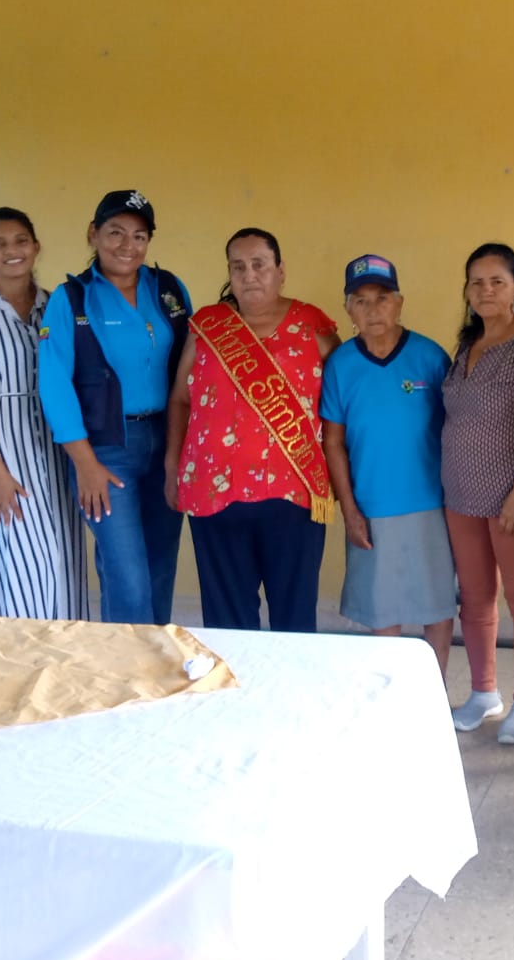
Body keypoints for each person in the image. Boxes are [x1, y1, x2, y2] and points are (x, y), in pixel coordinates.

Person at [164, 227, 339, 631]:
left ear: (280, 271)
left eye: (259, 265)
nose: (249, 275)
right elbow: (180, 399)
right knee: (227, 620)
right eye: (238, 267)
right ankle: (238, 677)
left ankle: (288, 677)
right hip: (213, 492)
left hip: (293, 494)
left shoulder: (311, 324)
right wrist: (172, 467)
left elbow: (343, 400)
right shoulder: (208, 326)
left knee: (294, 618)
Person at [38, 190, 193, 625]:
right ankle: (128, 661)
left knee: (160, 567)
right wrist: (84, 462)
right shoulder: (72, 299)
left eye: (139, 236)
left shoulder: (168, 289)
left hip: (167, 441)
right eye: (116, 233)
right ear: (93, 234)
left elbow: (191, 365)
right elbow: (54, 384)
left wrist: (182, 452)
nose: (128, 245)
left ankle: (156, 652)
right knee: (127, 576)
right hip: (105, 450)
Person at [441, 242, 514, 744]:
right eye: (477, 282)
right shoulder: (466, 345)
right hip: (460, 493)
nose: (486, 290)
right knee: (474, 598)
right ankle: (483, 692)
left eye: (497, 281)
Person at [0, 207, 88, 619]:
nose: (12, 251)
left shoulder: (55, 304)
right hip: (1, 446)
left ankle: (63, 649)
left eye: (21, 241)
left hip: (55, 442)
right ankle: (20, 650)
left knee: (63, 556)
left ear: (36, 247)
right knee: (20, 560)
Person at [320, 254, 456, 671]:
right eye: (360, 301)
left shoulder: (430, 357)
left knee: (437, 605)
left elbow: (456, 430)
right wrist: (349, 509)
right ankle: (395, 692)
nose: (372, 309)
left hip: (431, 503)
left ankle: (434, 691)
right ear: (348, 309)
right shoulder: (341, 365)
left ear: (399, 302)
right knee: (383, 610)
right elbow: (333, 441)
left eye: (382, 298)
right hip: (372, 507)